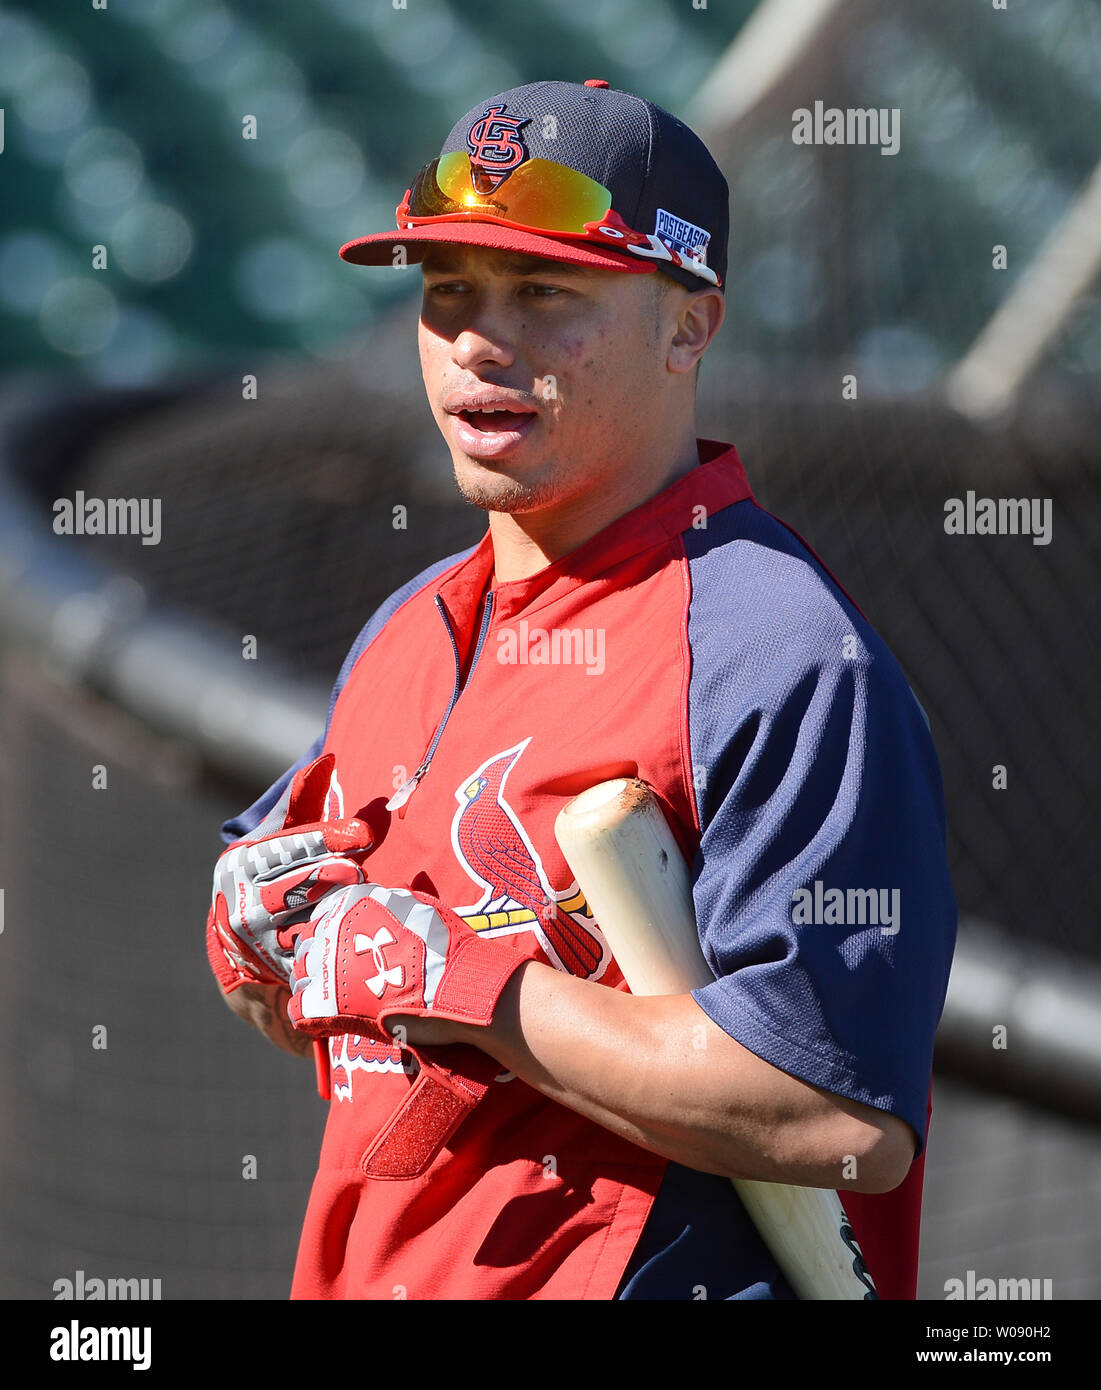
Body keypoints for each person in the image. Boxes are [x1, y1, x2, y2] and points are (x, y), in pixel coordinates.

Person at [206, 79, 956, 1301]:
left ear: (688, 326)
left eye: (544, 294)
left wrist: (471, 983)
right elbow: (329, 996)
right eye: (447, 292)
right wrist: (265, 946)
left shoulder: (778, 651)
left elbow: (836, 1118)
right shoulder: (411, 623)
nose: (477, 342)